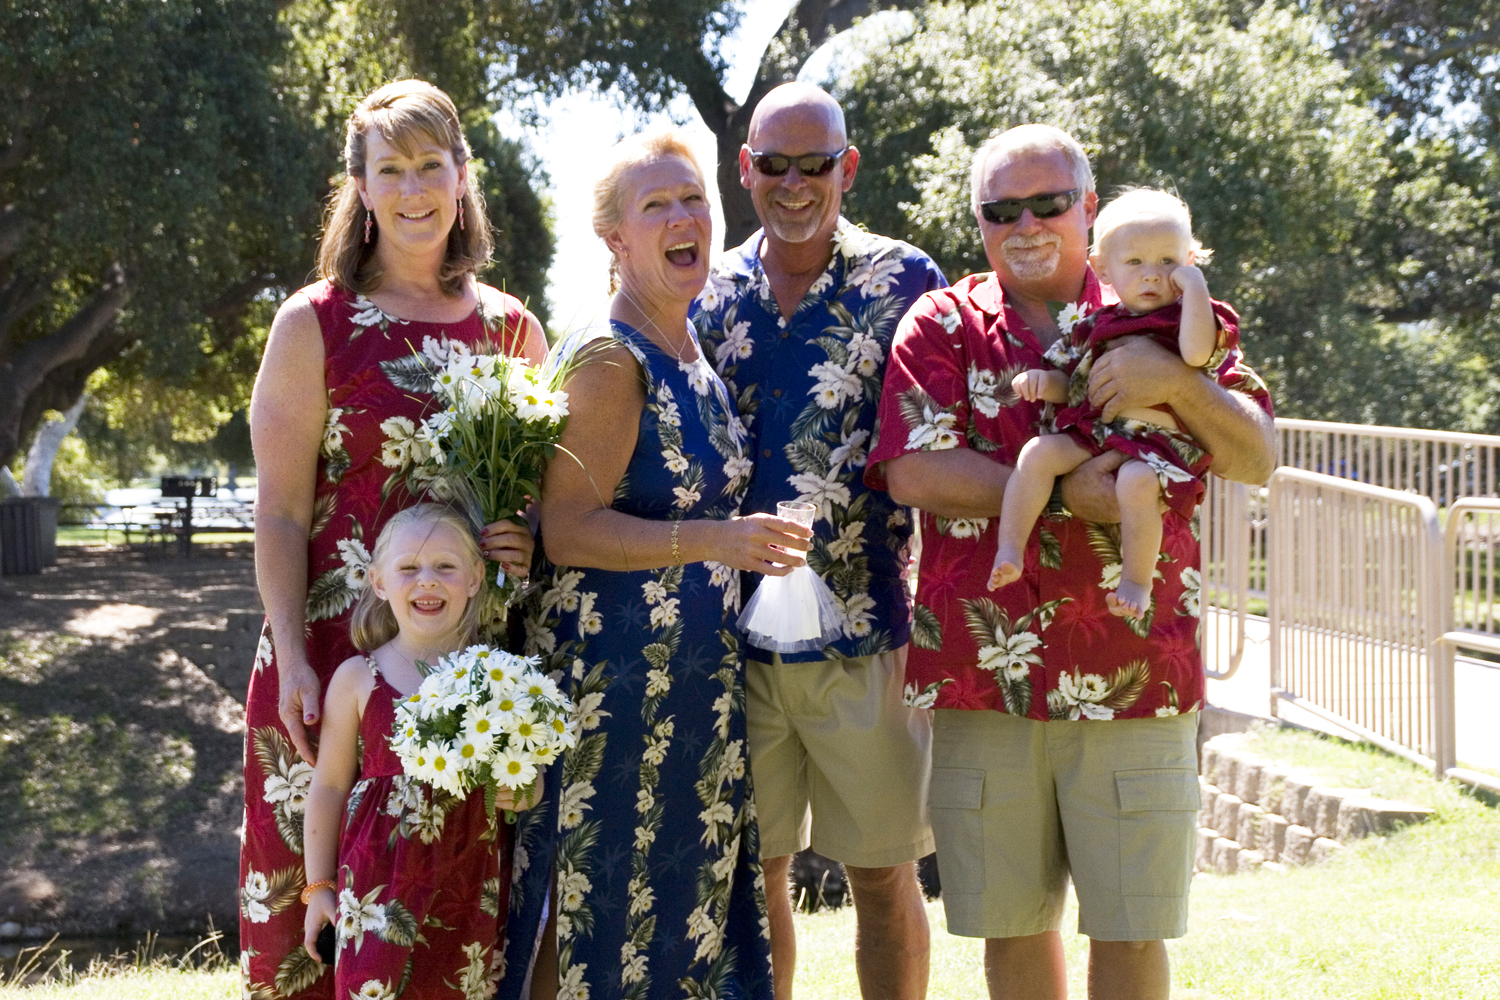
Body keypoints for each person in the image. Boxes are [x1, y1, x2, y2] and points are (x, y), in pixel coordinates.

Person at [867, 125, 1275, 1000]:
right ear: (978, 222)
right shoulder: (943, 323)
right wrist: (1065, 494)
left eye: (1050, 203)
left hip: (1137, 671)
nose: (1027, 224)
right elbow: (910, 467)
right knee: (1011, 932)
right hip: (987, 677)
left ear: (1088, 207)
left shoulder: (1165, 307)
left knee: (1131, 929)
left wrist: (1174, 382)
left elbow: (1257, 455)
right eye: (1000, 209)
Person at [243, 79, 547, 1000]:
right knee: (311, 930)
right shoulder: (314, 323)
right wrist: (294, 655)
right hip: (330, 667)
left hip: (461, 680)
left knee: (452, 927)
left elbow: (535, 502)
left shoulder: (513, 330)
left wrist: (523, 539)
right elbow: (282, 514)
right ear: (362, 191)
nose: (413, 188)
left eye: (430, 166)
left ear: (461, 181)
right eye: (391, 170)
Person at [510, 127, 810, 1000]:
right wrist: (717, 539)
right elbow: (565, 531)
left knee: (677, 927)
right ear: (615, 240)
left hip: (692, 698)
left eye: (694, 200)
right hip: (608, 698)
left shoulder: (693, 356)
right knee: (588, 927)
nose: (685, 218)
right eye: (657, 205)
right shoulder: (610, 359)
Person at [691, 82, 944, 1000]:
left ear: (849, 165)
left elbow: (944, 440)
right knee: (754, 877)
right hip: (732, 641)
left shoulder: (908, 281)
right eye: (774, 165)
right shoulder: (708, 290)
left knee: (882, 873)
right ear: (745, 168)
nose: (795, 185)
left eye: (817, 165)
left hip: (868, 633)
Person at [301, 503, 537, 1000]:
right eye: (408, 568)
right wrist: (317, 886)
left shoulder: (498, 678)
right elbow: (328, 786)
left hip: (468, 884)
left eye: (445, 567)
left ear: (475, 577)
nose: (426, 580)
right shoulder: (359, 679)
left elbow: (526, 780)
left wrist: (522, 788)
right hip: (376, 888)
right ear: (380, 582)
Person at [990, 187, 1240, 619]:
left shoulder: (1191, 317)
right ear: (1103, 268)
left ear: (1189, 263)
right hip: (1098, 430)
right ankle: (1010, 547)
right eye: (1135, 262)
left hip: (1157, 445)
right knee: (1038, 453)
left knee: (1136, 483)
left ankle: (1136, 583)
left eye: (1168, 262)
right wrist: (1041, 382)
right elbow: (1073, 383)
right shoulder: (1095, 325)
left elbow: (1198, 355)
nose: (1151, 275)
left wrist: (1195, 289)